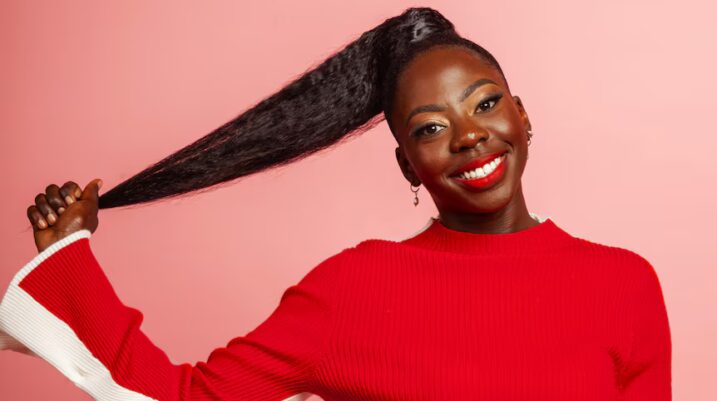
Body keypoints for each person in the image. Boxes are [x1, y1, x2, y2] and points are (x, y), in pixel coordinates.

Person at [0, 6, 671, 401]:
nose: (469, 136)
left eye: (486, 103)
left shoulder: (625, 284)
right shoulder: (354, 288)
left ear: (521, 115)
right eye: (430, 128)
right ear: (406, 163)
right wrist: (67, 260)